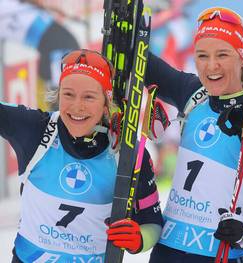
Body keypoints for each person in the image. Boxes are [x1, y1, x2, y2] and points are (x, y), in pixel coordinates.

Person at [145, 7, 243, 263]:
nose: (211, 66)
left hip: (222, 257)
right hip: (166, 254)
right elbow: (139, 61)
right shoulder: (193, 94)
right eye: (202, 55)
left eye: (223, 54)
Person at [0, 49, 163, 262]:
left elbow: (152, 220)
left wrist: (140, 239)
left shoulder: (128, 153)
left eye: (88, 96)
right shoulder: (36, 129)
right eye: (68, 94)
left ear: (106, 104)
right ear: (58, 94)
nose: (77, 106)